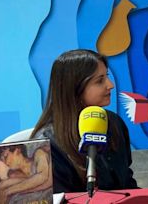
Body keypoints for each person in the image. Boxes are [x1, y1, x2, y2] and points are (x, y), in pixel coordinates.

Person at [30, 49, 138, 193]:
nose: (110, 85)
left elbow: (126, 182)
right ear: (74, 88)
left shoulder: (114, 122)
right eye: (100, 81)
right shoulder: (46, 144)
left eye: (107, 76)